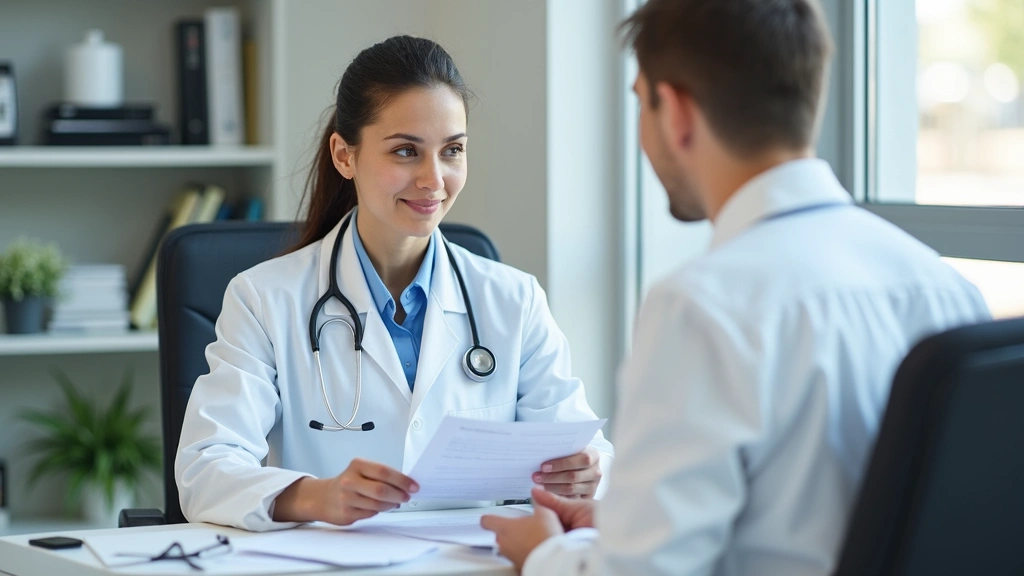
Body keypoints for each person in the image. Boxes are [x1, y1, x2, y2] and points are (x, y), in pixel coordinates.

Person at [481, 0, 991, 574]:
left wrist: (543, 553)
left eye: (639, 102)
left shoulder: (704, 306)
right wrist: (624, 529)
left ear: (674, 112)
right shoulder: (947, 289)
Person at [175, 35, 613, 532]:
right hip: (331, 564)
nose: (433, 179)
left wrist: (588, 472)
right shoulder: (264, 299)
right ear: (344, 155)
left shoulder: (514, 300)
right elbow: (205, 468)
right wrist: (316, 496)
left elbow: (583, 450)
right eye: (406, 151)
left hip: (471, 563)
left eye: (452, 151)